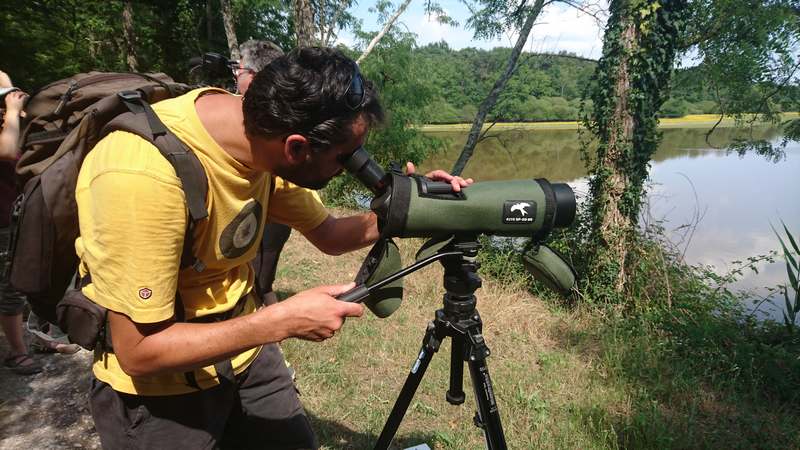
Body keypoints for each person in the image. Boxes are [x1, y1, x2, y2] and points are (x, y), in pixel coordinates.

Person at [78, 47, 471, 449]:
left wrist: (416, 206)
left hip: (247, 357)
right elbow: (139, 351)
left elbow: (330, 233)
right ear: (297, 148)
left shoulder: (260, 134)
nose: (349, 169)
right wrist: (280, 321)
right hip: (160, 394)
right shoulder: (141, 177)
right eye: (344, 158)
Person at [235, 39, 295, 306]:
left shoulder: (271, 115)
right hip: (274, 207)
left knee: (261, 276)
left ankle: (269, 325)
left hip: (275, 205)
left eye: (239, 70)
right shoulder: (289, 110)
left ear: (255, 76)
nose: (236, 75)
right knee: (260, 275)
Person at [0, 70, 42, 375]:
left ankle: (39, 337)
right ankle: (17, 351)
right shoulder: (6, 128)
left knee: (33, 278)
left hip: (18, 214)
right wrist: (12, 112)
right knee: (10, 287)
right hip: (2, 222)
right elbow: (8, 151)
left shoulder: (11, 124)